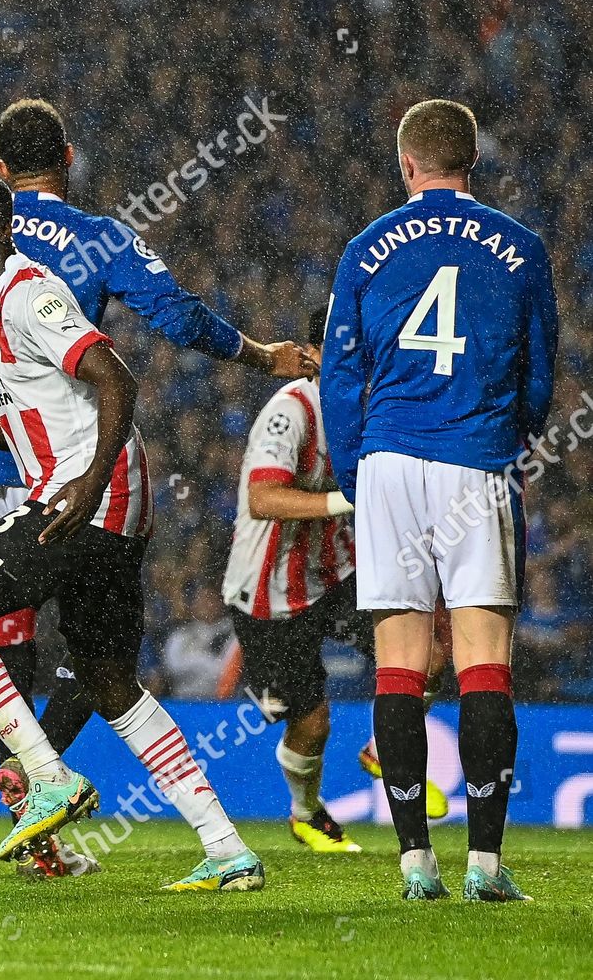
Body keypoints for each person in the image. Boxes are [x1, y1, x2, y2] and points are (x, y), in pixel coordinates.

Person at [0, 100, 313, 875]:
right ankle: (226, 848)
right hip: (73, 482)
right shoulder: (46, 270)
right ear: (66, 155)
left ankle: (47, 780)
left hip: (75, 491)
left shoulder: (25, 291)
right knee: (106, 678)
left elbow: (113, 373)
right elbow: (166, 319)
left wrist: (83, 483)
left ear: (2, 206)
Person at [321, 99, 558, 901]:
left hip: (389, 460)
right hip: (475, 457)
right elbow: (538, 378)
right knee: (485, 664)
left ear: (406, 166)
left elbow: (340, 376)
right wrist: (506, 433)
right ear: (473, 163)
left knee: (399, 667)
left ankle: (414, 861)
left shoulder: (365, 249)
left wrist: (359, 473)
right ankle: (485, 865)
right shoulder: (522, 251)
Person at [223, 308, 366, 852]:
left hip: (339, 571)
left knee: (427, 649)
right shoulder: (291, 411)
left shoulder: (371, 406)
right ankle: (306, 814)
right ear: (313, 356)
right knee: (311, 723)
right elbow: (263, 499)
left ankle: (385, 747)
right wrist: (346, 500)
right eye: (343, 351)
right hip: (272, 593)